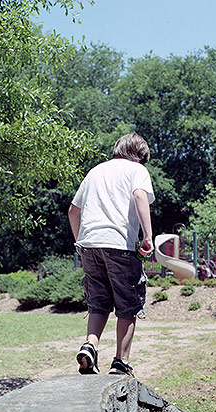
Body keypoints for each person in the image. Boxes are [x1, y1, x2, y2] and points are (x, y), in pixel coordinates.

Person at [68, 132, 155, 377]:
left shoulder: (95, 171)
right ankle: (120, 362)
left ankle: (90, 345)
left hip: (89, 244)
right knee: (128, 304)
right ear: (140, 156)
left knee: (98, 302)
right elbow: (139, 195)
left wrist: (80, 243)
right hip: (119, 245)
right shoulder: (136, 170)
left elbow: (73, 210)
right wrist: (148, 236)